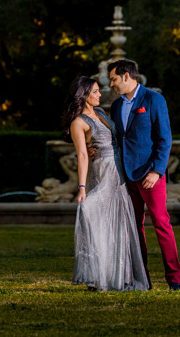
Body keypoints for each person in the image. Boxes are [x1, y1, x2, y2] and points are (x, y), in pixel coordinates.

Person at [65, 76, 149, 292]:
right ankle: (100, 274)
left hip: (119, 170)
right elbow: (82, 156)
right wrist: (82, 188)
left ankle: (120, 276)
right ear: (83, 94)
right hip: (104, 170)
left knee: (119, 219)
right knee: (97, 217)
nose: (100, 94)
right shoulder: (78, 122)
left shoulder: (101, 113)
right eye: (95, 91)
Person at [108, 59, 180, 291]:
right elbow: (118, 140)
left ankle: (174, 279)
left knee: (162, 224)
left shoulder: (153, 99)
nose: (111, 84)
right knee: (134, 228)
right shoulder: (117, 105)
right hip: (128, 177)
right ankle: (142, 278)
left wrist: (156, 171)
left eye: (113, 79)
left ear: (126, 77)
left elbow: (164, 138)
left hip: (151, 176)